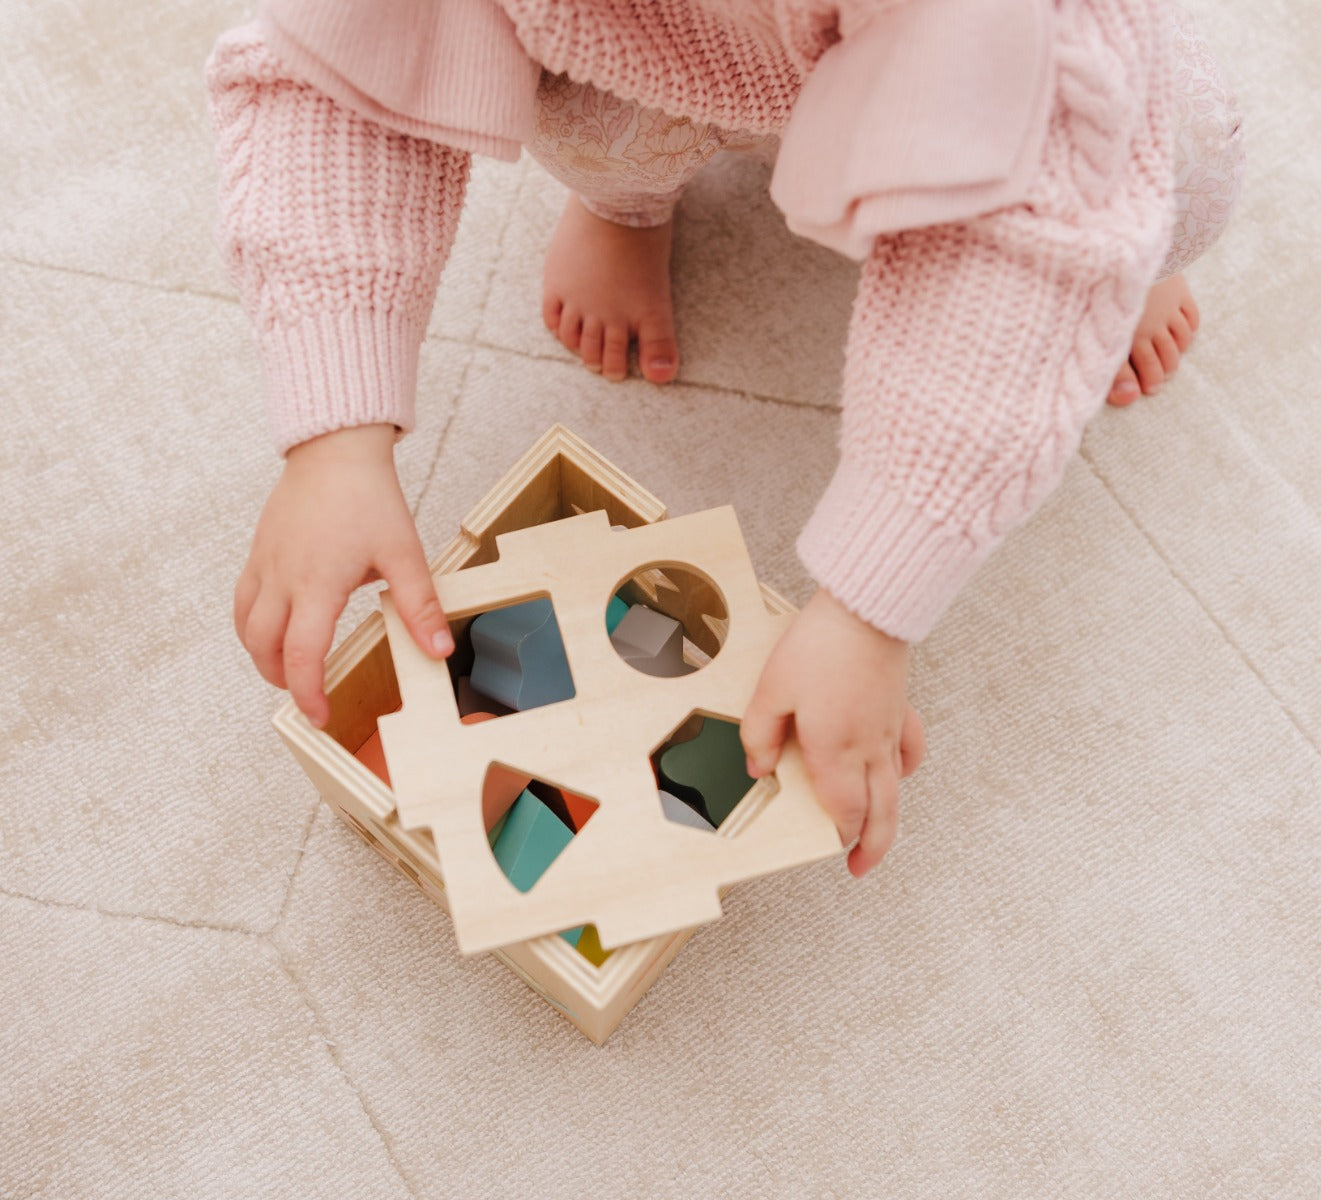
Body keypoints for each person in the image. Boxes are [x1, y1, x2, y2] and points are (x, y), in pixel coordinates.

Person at [209, 0, 1243, 877]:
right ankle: (624, 200)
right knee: (585, 117)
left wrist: (872, 604)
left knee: (1170, 165)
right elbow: (336, 69)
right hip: (639, 48)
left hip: (1001, 84)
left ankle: (1130, 258)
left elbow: (1020, 242)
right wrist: (335, 430)